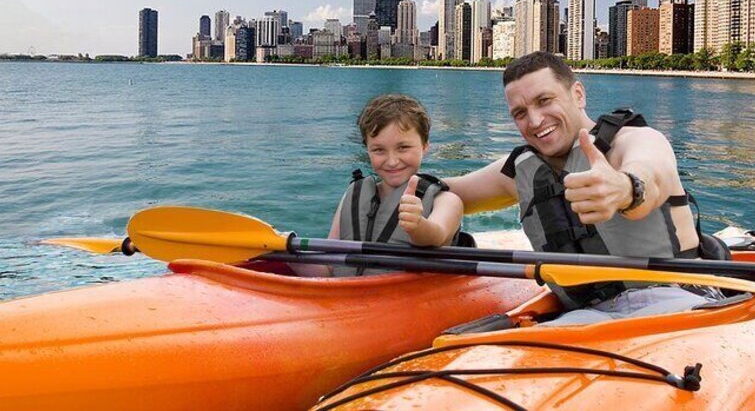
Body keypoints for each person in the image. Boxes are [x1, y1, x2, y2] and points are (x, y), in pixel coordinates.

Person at [445, 51, 726, 325]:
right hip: (585, 316)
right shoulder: (518, 170)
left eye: (544, 101)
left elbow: (651, 174)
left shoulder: (634, 140)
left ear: (578, 95)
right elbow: (450, 192)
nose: (535, 121)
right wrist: (404, 166)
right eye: (520, 113)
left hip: (675, 300)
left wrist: (625, 189)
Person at [297, 94, 464, 277]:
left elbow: (438, 234)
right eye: (379, 150)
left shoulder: (447, 201)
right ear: (367, 150)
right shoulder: (353, 195)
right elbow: (328, 267)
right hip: (348, 298)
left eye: (403, 147)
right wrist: (283, 252)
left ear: (425, 146)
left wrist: (418, 226)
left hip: (408, 301)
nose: (392, 161)